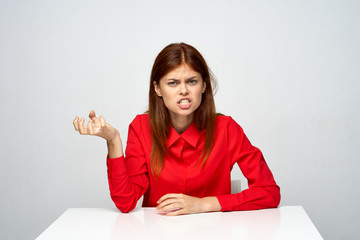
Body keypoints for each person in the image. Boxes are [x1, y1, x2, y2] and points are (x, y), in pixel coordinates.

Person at [73, 42, 280, 216]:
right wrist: (113, 141)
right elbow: (125, 203)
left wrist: (204, 204)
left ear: (204, 86)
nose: (183, 91)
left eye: (192, 81)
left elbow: (269, 192)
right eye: (172, 83)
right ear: (157, 88)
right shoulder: (141, 127)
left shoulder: (226, 129)